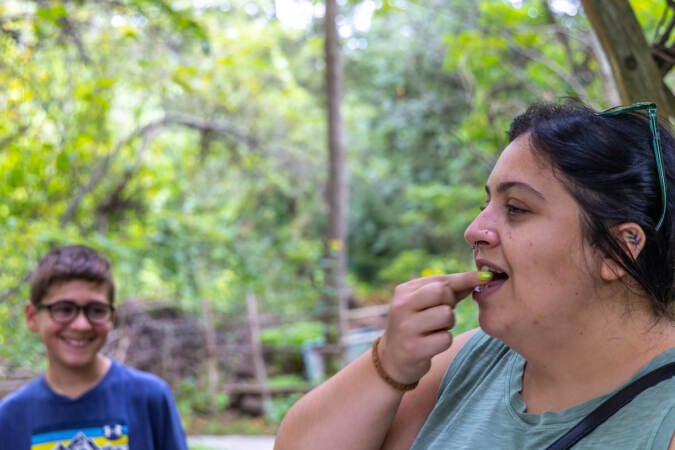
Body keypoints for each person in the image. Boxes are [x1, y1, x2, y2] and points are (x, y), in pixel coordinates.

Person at [274, 100, 675, 449]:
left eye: (516, 208)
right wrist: (390, 363)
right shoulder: (471, 360)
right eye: (486, 204)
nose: (474, 230)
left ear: (617, 250)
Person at [0, 244, 189, 450]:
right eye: (64, 309)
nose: (81, 325)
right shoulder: (11, 416)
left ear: (111, 317)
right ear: (32, 316)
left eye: (96, 310)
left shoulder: (149, 398)